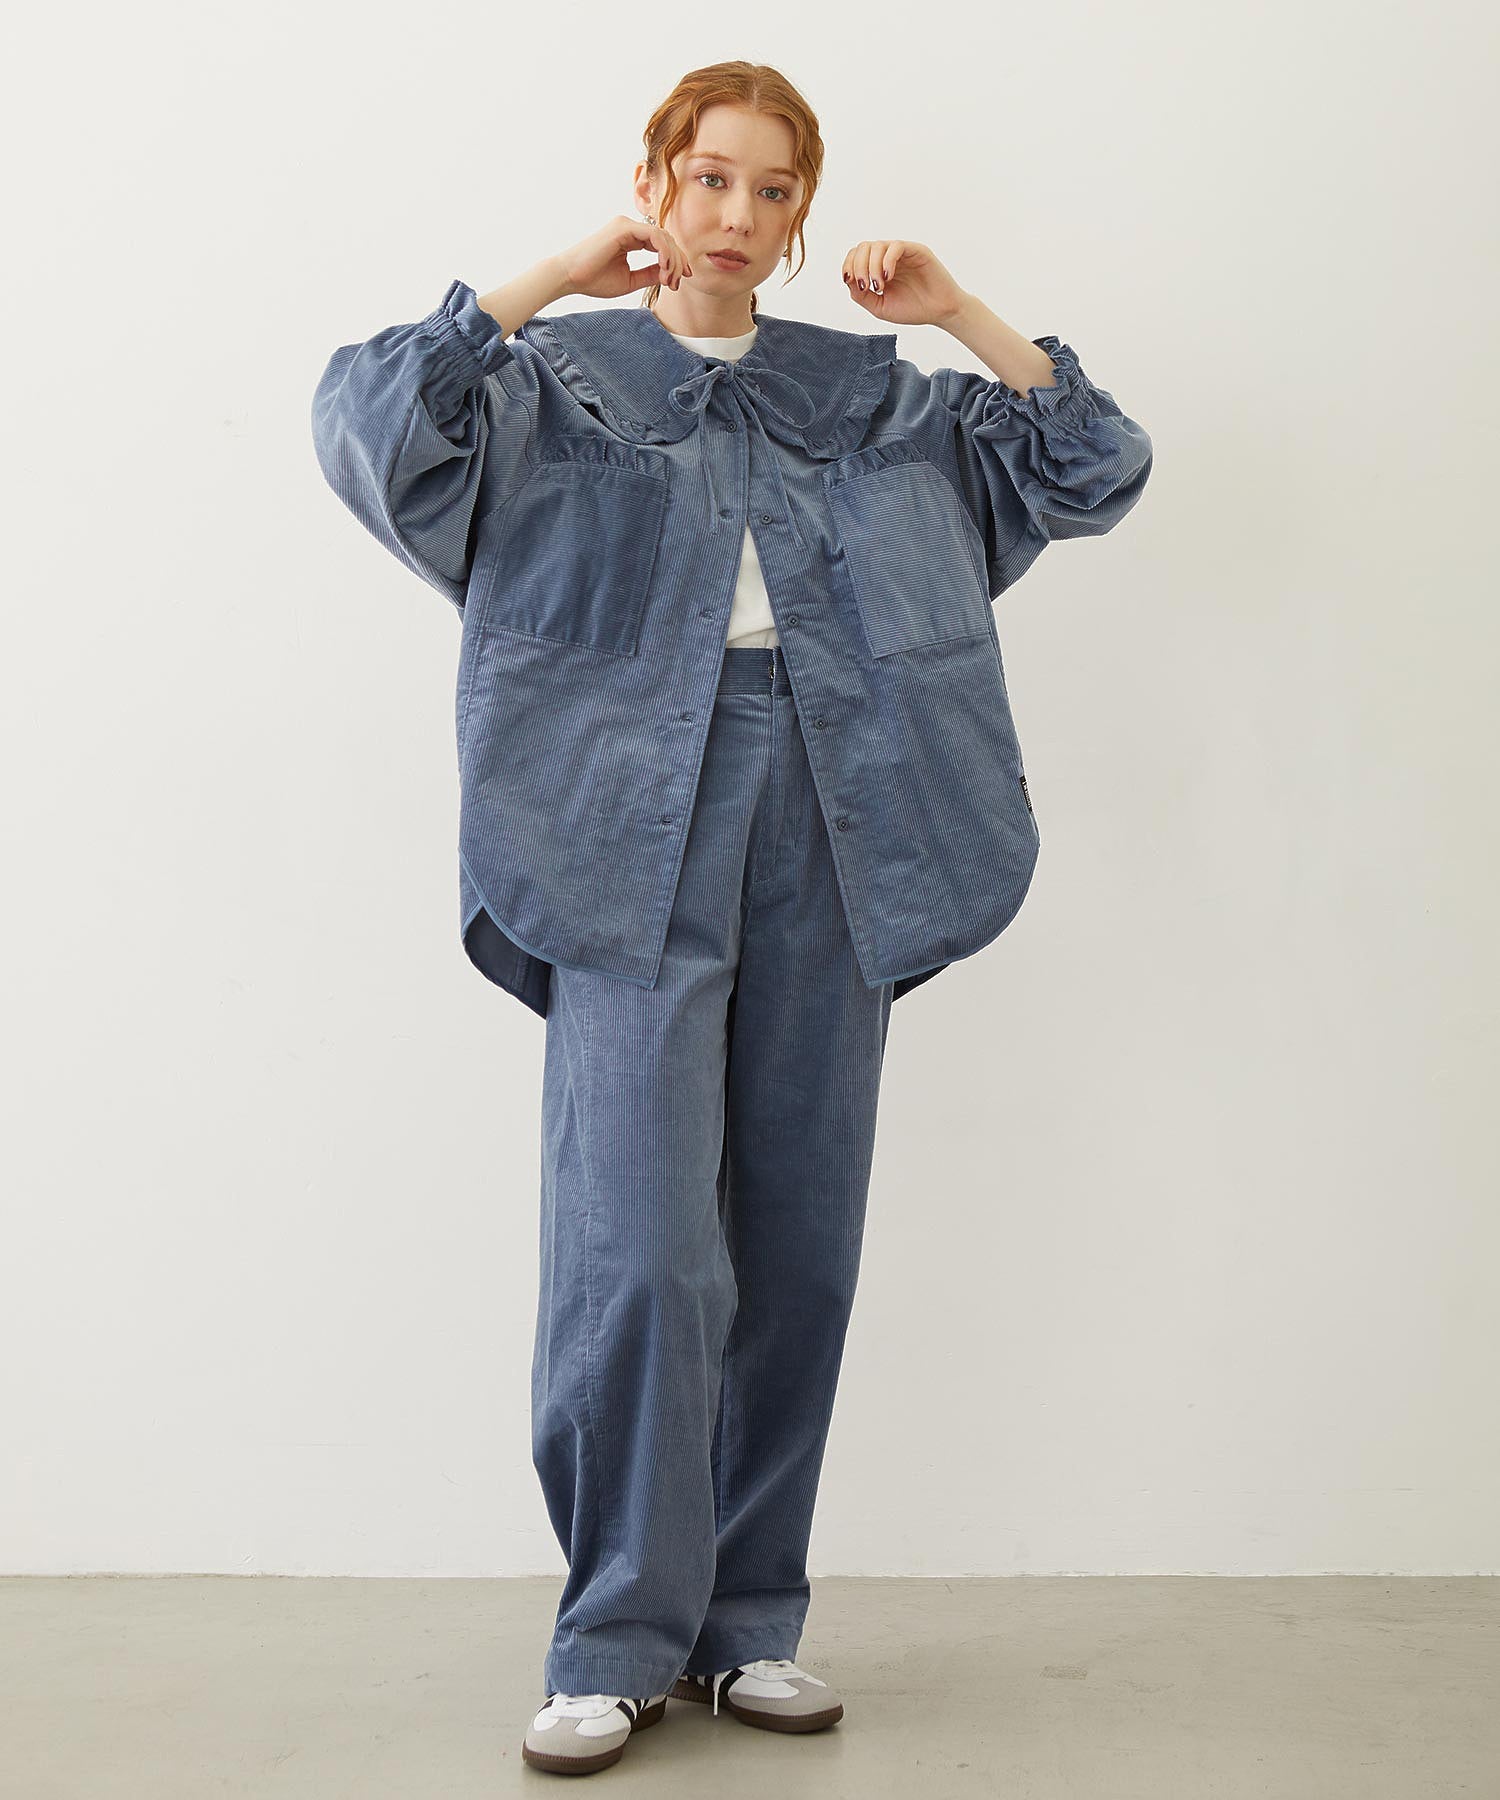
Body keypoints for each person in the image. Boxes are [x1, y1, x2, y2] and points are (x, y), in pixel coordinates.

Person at [311, 59, 1152, 1780]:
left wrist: (958, 311)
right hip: (618, 817)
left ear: (800, 216)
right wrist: (557, 272)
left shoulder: (874, 398)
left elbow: (1093, 462)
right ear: (655, 184)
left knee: (798, 1235)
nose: (738, 216)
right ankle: (614, 1637)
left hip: (843, 807)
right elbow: (373, 431)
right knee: (639, 1247)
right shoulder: (549, 388)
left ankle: (749, 1619)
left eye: (774, 191)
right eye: (708, 178)